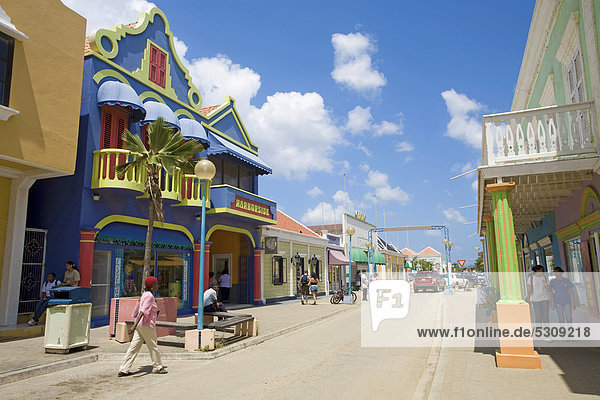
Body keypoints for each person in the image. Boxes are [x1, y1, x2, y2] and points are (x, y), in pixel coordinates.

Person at [118, 276, 167, 376]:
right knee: (153, 346)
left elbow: (138, 307)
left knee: (134, 347)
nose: (158, 285)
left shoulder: (145, 294)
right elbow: (142, 312)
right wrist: (133, 326)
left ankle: (124, 369)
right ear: (152, 286)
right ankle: (158, 367)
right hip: (147, 325)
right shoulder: (149, 296)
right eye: (156, 284)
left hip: (140, 325)